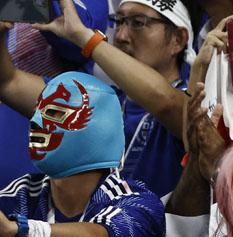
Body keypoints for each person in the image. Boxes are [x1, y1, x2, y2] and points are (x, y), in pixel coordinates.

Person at [0, 0, 194, 198]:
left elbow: (165, 102)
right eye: (119, 22)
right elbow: (8, 82)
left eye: (138, 23)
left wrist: (84, 37)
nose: (120, 36)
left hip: (160, 227)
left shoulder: (196, 101)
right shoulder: (105, 101)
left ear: (178, 39)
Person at [0, 71, 165, 237]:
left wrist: (17, 230)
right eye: (37, 111)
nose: (35, 122)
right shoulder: (22, 194)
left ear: (97, 129)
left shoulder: (138, 202)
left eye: (54, 113)